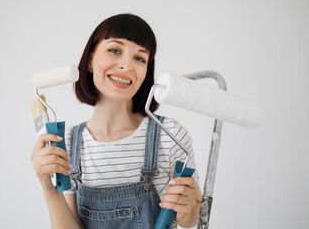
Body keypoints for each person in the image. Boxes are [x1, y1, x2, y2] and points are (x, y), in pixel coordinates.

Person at [31, 13, 202, 229]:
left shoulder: (170, 135)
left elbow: (194, 219)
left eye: (139, 58)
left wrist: (188, 210)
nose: (126, 65)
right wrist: (49, 190)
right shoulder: (66, 143)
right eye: (115, 50)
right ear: (91, 59)